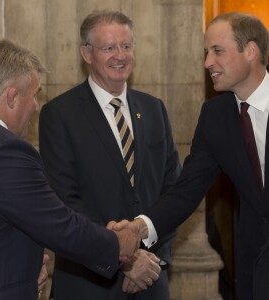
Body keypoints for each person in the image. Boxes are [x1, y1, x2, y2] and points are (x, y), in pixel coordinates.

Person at [111, 12, 269, 300]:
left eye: (217, 51)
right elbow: (186, 191)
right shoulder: (214, 116)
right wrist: (138, 227)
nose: (207, 62)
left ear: (251, 51)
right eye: (206, 52)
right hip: (254, 269)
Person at [0, 39, 140, 300]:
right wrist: (118, 244)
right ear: (13, 97)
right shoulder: (3, 150)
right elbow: (59, 224)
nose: (36, 106)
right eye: (35, 94)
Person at [39, 9, 181, 300]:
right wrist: (125, 259)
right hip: (89, 282)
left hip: (151, 279)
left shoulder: (154, 109)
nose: (120, 55)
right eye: (109, 47)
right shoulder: (60, 114)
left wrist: (150, 258)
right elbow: (64, 201)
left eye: (126, 46)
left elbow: (175, 193)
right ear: (87, 53)